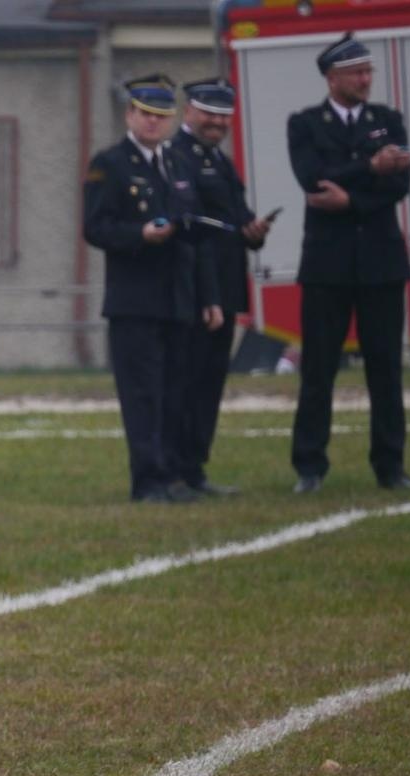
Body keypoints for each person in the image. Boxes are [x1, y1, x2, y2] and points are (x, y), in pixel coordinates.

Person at [287, 32, 410, 493]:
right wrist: (368, 168)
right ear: (332, 77)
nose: (366, 79)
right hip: (328, 267)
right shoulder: (305, 123)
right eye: (356, 73)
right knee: (319, 369)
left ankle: (390, 465)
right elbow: (312, 178)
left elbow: (400, 183)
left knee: (384, 368)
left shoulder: (387, 121)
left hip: (381, 263)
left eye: (368, 72)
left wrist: (353, 200)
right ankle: (309, 466)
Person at [83, 74, 222, 503]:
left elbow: (195, 235)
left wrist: (209, 296)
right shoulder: (109, 163)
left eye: (161, 117)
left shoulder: (178, 163)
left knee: (175, 392)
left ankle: (175, 475)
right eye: (145, 115)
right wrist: (140, 234)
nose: (152, 124)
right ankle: (148, 481)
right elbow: (96, 228)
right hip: (135, 300)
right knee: (143, 395)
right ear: (130, 115)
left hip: (177, 297)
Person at [172, 78, 273, 496]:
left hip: (226, 286)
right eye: (208, 113)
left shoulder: (220, 161)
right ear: (189, 112)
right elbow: (192, 232)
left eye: (223, 116)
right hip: (194, 290)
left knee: (211, 381)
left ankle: (196, 469)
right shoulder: (176, 157)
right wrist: (207, 294)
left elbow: (237, 218)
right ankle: (176, 470)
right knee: (185, 381)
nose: (216, 122)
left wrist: (255, 231)